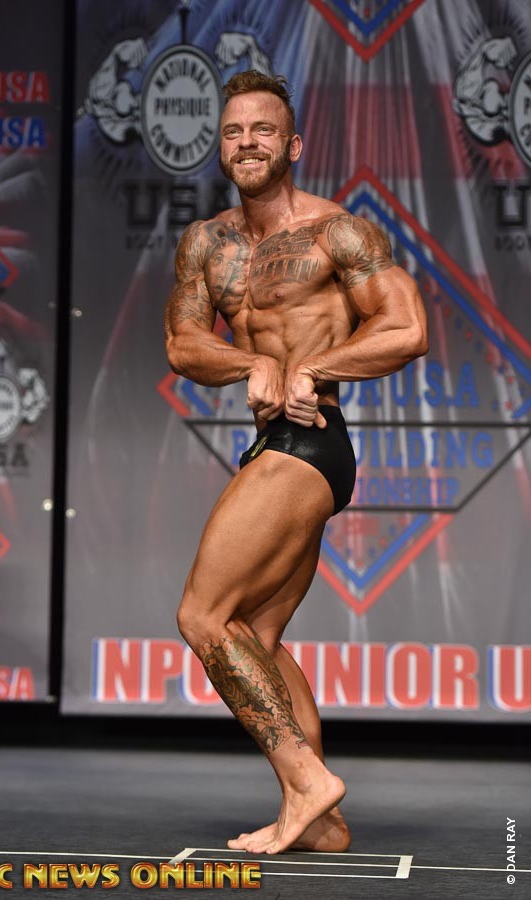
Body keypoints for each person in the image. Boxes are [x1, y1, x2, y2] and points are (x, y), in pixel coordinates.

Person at [164, 70, 428, 856]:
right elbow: (183, 344)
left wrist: (313, 368)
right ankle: (322, 821)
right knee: (256, 634)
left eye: (263, 130)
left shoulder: (337, 233)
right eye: (233, 131)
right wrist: (250, 364)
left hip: (311, 441)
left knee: (202, 616)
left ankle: (307, 780)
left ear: (294, 145)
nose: (247, 143)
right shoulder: (205, 243)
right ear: (221, 146)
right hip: (273, 445)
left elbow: (406, 328)